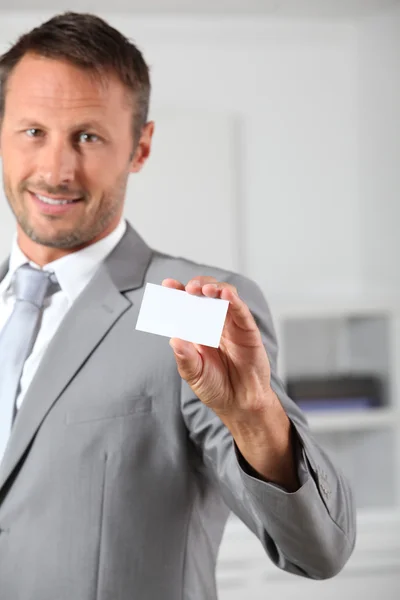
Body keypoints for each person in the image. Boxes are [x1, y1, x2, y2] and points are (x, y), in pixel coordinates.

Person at [0, 12, 355, 600]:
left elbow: (317, 550)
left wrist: (255, 419)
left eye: (88, 136)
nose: (56, 169)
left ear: (140, 147)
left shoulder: (182, 307)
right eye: (33, 132)